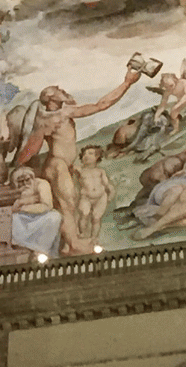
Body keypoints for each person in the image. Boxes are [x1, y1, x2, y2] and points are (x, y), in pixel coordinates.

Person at [14, 63, 142, 253]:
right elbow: (101, 105)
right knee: (68, 206)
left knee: (65, 206)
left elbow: (101, 105)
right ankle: (74, 245)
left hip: (63, 165)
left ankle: (66, 246)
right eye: (56, 90)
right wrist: (126, 83)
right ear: (49, 98)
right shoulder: (55, 117)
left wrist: (127, 83)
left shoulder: (52, 115)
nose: (61, 90)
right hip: (57, 165)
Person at [9, 166, 62, 257]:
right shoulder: (13, 188)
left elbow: (46, 206)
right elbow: (12, 208)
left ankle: (41, 250)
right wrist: (29, 201)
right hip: (22, 218)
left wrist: (23, 205)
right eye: (21, 181)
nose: (25, 184)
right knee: (13, 218)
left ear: (32, 178)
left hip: (41, 217)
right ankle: (23, 248)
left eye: (27, 180)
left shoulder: (41, 184)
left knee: (55, 216)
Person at [74, 146, 114, 247]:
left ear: (97, 157)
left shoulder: (100, 171)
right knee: (84, 214)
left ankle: (94, 238)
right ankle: (83, 234)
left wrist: (111, 192)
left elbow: (106, 183)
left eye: (91, 154)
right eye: (84, 154)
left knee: (96, 218)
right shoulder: (79, 170)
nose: (86, 156)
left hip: (100, 197)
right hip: (86, 197)